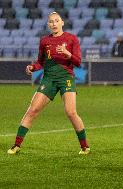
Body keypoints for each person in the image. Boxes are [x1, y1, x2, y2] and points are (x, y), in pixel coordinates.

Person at [7, 12, 90, 155]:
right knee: (32, 110)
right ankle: (16, 145)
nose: (54, 24)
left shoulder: (72, 39)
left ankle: (85, 147)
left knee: (71, 112)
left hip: (66, 78)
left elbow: (78, 62)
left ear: (62, 22)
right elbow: (41, 62)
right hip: (49, 79)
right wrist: (33, 67)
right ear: (48, 24)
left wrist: (67, 54)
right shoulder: (45, 41)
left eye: (56, 21)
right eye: (51, 21)